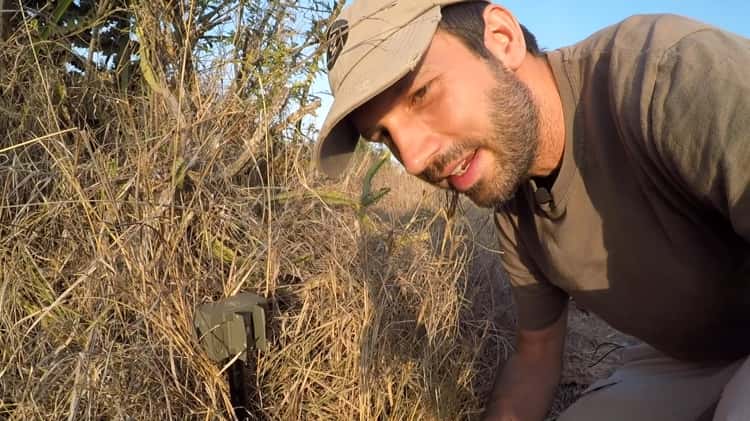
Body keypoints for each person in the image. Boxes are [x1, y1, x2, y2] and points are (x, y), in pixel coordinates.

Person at [314, 0, 750, 420]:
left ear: (502, 39)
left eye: (422, 93)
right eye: (385, 137)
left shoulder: (670, 74)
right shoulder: (511, 187)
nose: (412, 159)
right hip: (694, 361)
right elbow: (536, 356)